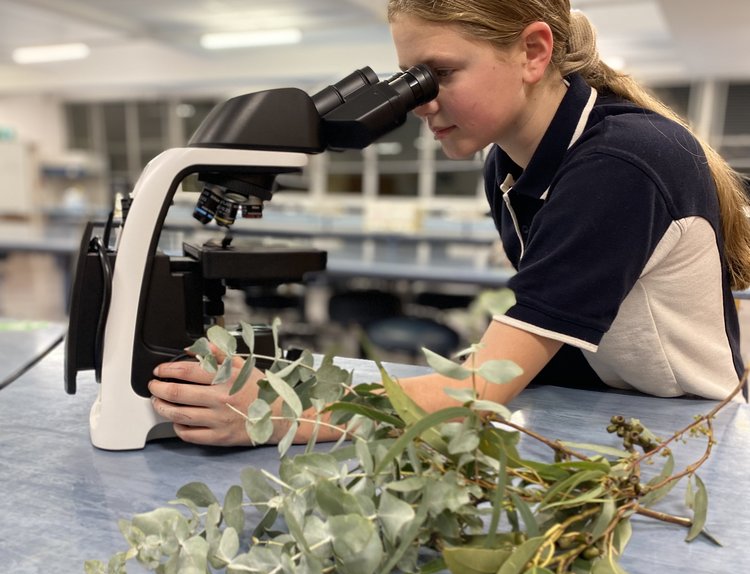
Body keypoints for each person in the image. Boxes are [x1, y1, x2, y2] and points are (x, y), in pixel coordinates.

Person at [148, 0, 750, 447]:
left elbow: (476, 395)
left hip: (687, 430)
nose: (420, 103)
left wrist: (280, 409)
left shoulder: (619, 162)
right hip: (598, 403)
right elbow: (537, 349)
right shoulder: (507, 166)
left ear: (533, 53)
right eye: (410, 78)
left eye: (438, 74)